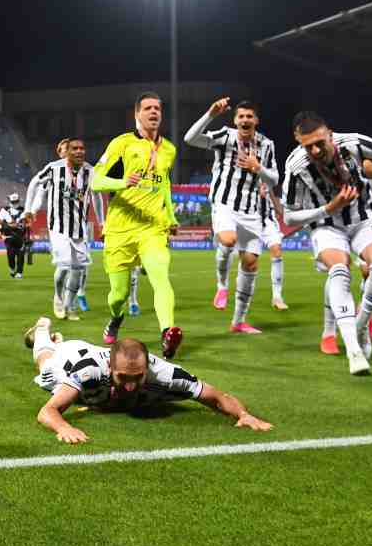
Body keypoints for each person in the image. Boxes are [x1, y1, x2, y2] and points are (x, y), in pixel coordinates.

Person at [282, 112, 372, 375]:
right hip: (326, 224)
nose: (316, 150)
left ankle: (361, 324)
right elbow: (289, 215)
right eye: (309, 146)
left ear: (330, 133)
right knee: (339, 269)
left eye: (320, 142)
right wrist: (328, 208)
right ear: (299, 142)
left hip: (363, 218)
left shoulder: (353, 143)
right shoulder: (296, 166)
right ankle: (353, 349)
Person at [24, 317, 272, 444]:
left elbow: (217, 397)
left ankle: (53, 337)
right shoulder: (87, 370)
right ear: (111, 367)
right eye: (123, 377)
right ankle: (44, 331)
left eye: (138, 377)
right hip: (70, 356)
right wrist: (64, 428)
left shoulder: (164, 372)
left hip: (101, 363)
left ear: (147, 368)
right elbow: (47, 411)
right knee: (45, 361)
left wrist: (243, 414)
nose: (131, 385)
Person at [91, 92, 183, 358]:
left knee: (160, 276)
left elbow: (164, 182)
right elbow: (95, 181)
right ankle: (115, 317)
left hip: (152, 227)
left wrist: (171, 215)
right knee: (118, 294)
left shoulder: (169, 149)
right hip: (120, 228)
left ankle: (168, 332)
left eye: (158, 108)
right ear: (137, 114)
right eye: (148, 108)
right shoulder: (122, 143)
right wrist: (122, 182)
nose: (154, 112)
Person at [184, 98, 279, 334]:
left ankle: (238, 321)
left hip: (251, 210)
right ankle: (222, 285)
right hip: (224, 203)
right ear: (235, 120)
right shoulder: (225, 137)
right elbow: (190, 138)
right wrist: (210, 114)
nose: (245, 120)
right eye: (241, 116)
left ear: (256, 120)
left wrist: (258, 168)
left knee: (250, 262)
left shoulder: (266, 145)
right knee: (227, 240)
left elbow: (274, 179)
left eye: (250, 116)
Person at [25, 137, 104, 320]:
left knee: (78, 268)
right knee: (65, 263)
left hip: (79, 227)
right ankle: (58, 297)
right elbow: (35, 185)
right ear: (67, 151)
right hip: (58, 226)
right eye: (74, 148)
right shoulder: (54, 168)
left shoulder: (90, 172)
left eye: (82, 148)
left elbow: (97, 196)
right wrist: (30, 210)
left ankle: (70, 305)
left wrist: (102, 223)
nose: (79, 152)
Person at [259, 184, 288, 310]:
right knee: (247, 259)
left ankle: (277, 297)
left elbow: (269, 188)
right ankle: (223, 287)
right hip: (248, 217)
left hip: (267, 219)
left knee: (276, 250)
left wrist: (278, 209)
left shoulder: (267, 168)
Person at [0, 192, 27, 279]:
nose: (15, 203)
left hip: (20, 236)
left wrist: (19, 225)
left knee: (20, 255)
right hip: (8, 236)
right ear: (9, 201)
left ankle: (19, 272)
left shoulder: (23, 210)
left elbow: (26, 222)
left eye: (16, 201)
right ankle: (12, 269)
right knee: (10, 255)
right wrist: (1, 232)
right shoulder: (4, 210)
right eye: (13, 201)